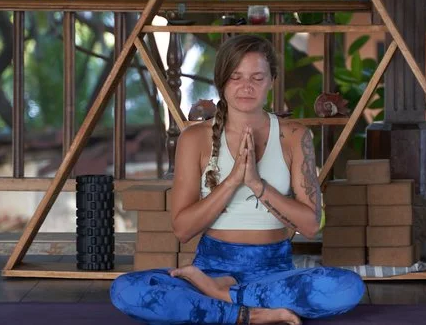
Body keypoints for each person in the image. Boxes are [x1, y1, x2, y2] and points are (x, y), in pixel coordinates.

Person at [111, 35, 364, 324]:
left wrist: (257, 185)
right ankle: (248, 313)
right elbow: (182, 229)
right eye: (236, 77)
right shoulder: (195, 138)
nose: (246, 86)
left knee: (347, 287)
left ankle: (219, 300)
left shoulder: (295, 136)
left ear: (271, 81)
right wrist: (232, 181)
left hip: (273, 272)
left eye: (257, 78)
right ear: (221, 82)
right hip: (211, 268)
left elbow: (309, 225)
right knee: (126, 290)